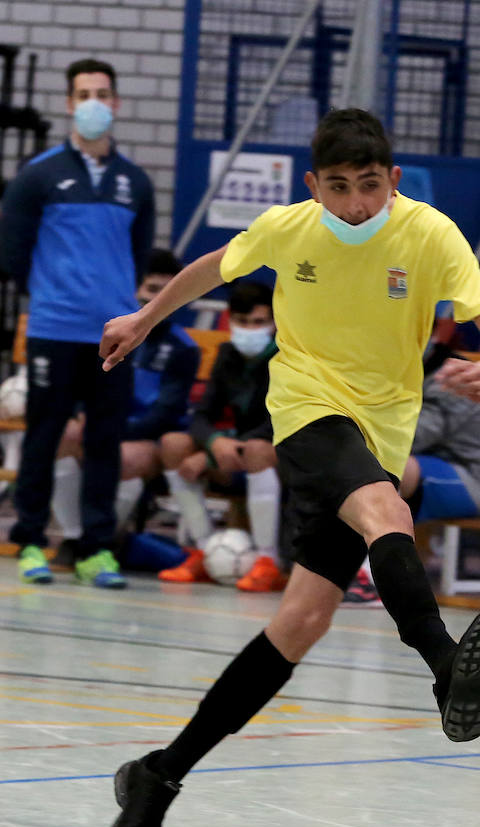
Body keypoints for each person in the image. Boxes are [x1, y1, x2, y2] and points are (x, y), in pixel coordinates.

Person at [98, 107, 480, 827]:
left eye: (368, 186)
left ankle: (157, 778)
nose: (356, 203)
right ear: (313, 186)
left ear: (391, 180)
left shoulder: (428, 232)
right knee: (386, 508)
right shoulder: (288, 227)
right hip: (305, 414)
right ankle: (444, 664)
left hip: (383, 431)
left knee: (300, 623)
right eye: (338, 187)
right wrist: (145, 315)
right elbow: (214, 266)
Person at [0, 58, 155, 589]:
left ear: (115, 102)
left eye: (103, 93)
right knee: (42, 437)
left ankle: (95, 550)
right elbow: (13, 255)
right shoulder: (38, 176)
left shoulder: (135, 182)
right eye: (84, 93)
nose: (94, 102)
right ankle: (30, 542)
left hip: (114, 335)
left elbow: (136, 260)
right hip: (53, 330)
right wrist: (57, 296)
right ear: (69, 103)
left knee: (104, 442)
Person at [48, 249, 200, 562]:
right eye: (151, 290)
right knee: (63, 433)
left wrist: (110, 430)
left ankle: (102, 541)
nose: (156, 301)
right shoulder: (107, 333)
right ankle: (74, 537)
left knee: (123, 458)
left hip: (148, 438)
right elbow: (81, 390)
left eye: (166, 292)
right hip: (104, 424)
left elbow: (165, 413)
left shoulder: (183, 348)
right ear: (134, 290)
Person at [156, 279, 284, 591]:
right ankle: (202, 549)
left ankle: (268, 561)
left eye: (258, 322)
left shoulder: (287, 357)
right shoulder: (227, 354)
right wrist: (214, 442)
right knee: (173, 444)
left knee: (256, 448)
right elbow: (201, 415)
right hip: (234, 452)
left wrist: (212, 450)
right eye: (242, 322)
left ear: (274, 322)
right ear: (230, 320)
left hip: (279, 454)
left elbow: (278, 423)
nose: (249, 329)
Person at [342, 349, 480, 606]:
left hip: (465, 479)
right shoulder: (380, 366)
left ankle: (375, 580)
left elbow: (417, 435)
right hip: (414, 469)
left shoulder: (454, 373)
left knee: (384, 466)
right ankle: (339, 566)